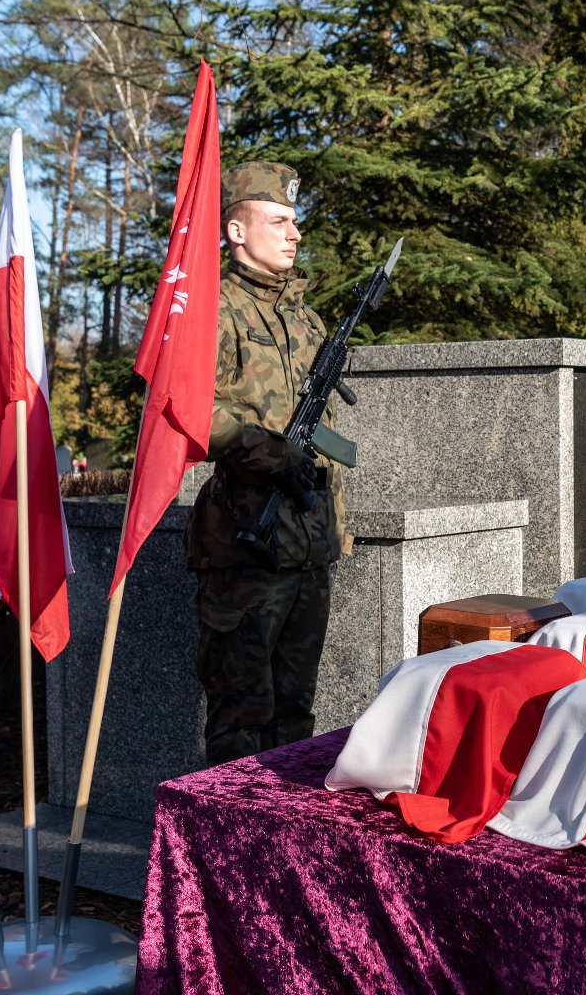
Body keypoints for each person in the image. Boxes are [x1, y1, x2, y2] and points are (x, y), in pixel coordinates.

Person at [187, 161, 350, 765]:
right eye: (279, 220)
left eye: (295, 221)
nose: (294, 233)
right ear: (236, 230)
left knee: (296, 717)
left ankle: (285, 850)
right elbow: (195, 414)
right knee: (241, 719)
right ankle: (225, 855)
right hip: (246, 548)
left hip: (308, 543)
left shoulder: (305, 318)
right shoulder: (214, 310)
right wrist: (273, 453)